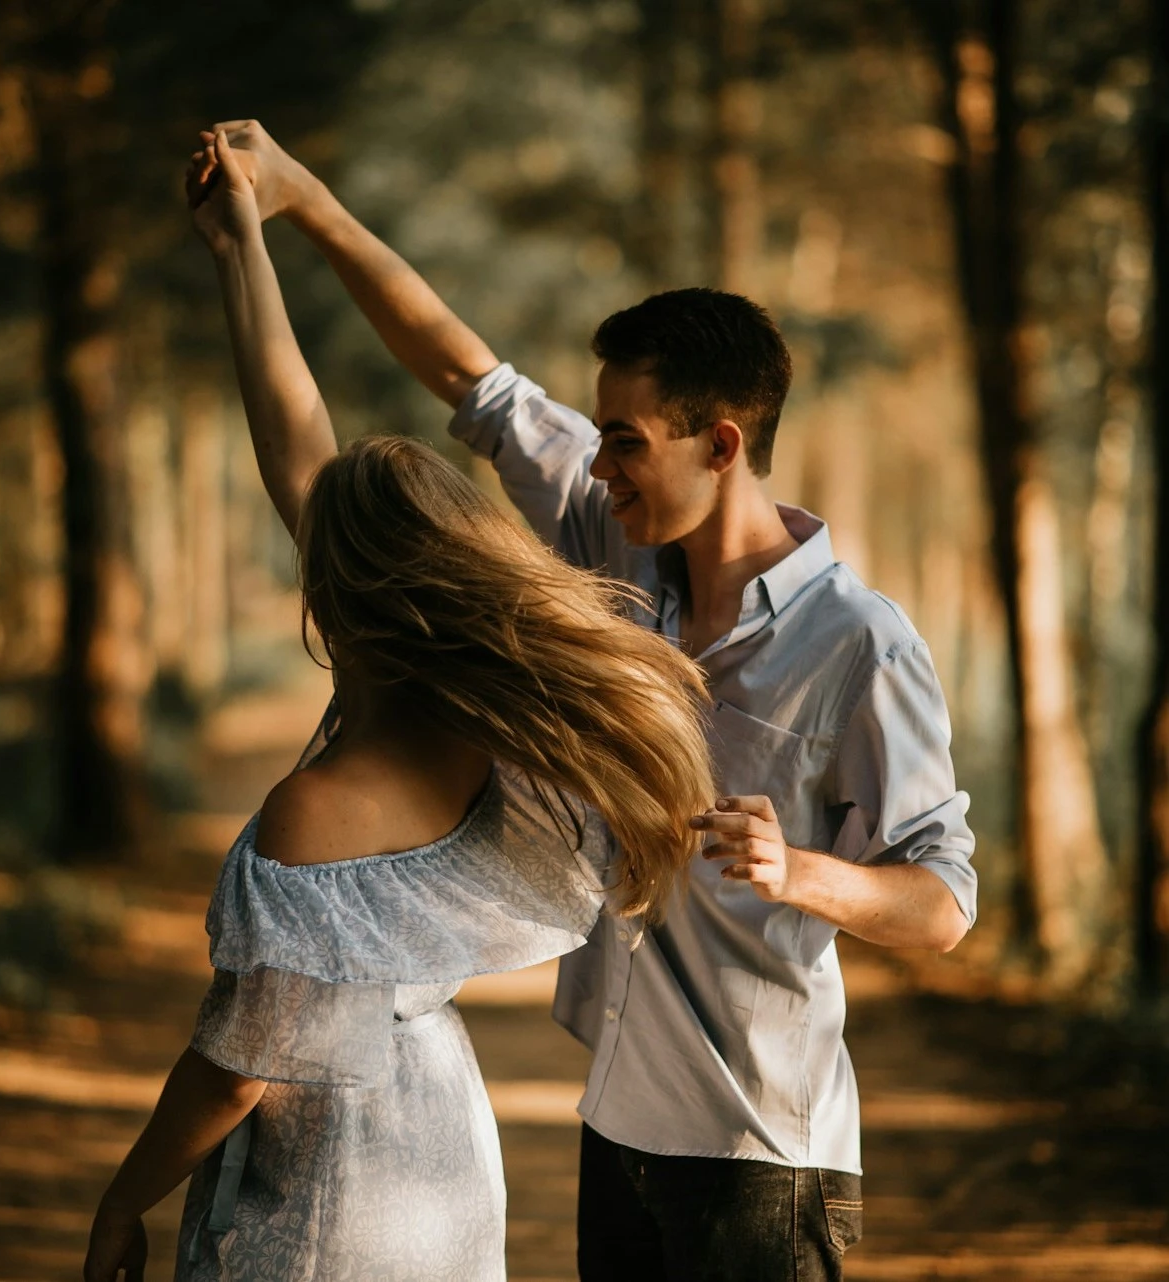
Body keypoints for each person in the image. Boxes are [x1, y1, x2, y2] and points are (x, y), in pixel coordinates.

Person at [187, 121, 979, 1282]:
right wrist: (302, 206)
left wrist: (802, 872)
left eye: (622, 442)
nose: (596, 468)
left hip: (760, 1150)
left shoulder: (860, 646)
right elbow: (471, 377)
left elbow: (946, 901)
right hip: (615, 1124)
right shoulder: (614, 545)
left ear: (721, 444)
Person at [80, 130, 718, 1282]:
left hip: (335, 1188)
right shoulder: (509, 746)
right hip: (443, 1146)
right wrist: (243, 250)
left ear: (336, 588)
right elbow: (299, 447)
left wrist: (122, 1200)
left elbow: (242, 1066)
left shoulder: (315, 811)